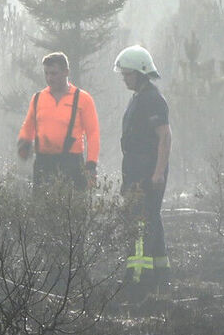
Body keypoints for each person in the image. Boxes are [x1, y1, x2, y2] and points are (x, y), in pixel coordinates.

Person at [114, 45, 172, 295]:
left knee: (139, 221)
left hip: (147, 169)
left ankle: (137, 277)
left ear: (140, 72)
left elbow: (165, 137)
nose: (125, 78)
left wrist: (157, 173)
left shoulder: (152, 99)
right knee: (150, 217)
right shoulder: (139, 97)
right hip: (136, 168)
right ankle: (161, 273)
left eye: (128, 74)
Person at [17, 52, 100, 192]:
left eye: (54, 73)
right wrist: (24, 143)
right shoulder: (37, 99)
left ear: (66, 72)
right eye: (46, 73)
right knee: (41, 211)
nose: (49, 78)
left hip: (72, 164)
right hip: (43, 164)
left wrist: (91, 165)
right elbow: (28, 127)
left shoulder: (83, 99)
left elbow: (93, 134)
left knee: (72, 212)